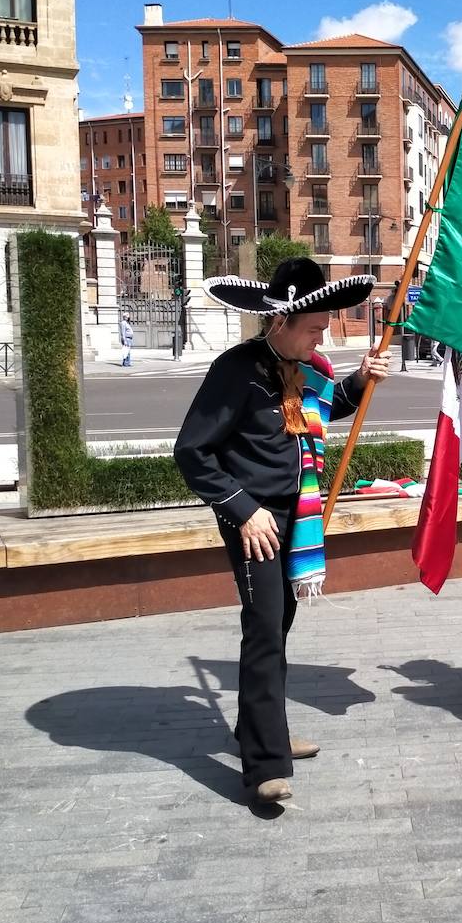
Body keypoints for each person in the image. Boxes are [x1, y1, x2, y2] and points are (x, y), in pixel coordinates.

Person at [174, 258, 387, 804]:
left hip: (298, 518)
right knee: (265, 630)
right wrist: (242, 509)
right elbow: (192, 451)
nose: (322, 338)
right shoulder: (235, 370)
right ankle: (266, 763)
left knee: (279, 625)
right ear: (280, 323)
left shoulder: (305, 364)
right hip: (256, 521)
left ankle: (259, 729)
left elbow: (326, 407)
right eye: (314, 328)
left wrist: (362, 378)